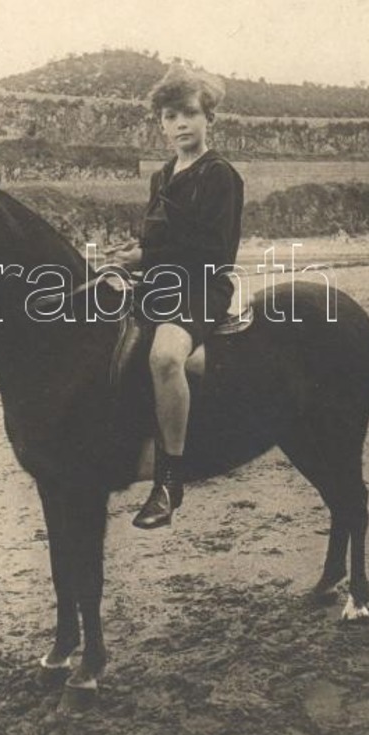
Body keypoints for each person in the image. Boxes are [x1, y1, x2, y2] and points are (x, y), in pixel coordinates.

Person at [109, 64, 243, 529]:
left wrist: (145, 256)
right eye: (169, 116)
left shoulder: (219, 175)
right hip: (159, 286)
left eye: (189, 113)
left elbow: (212, 250)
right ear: (161, 124)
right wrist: (133, 256)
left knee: (166, 356)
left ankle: (169, 481)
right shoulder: (161, 176)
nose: (180, 124)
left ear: (209, 118)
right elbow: (157, 235)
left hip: (202, 287)